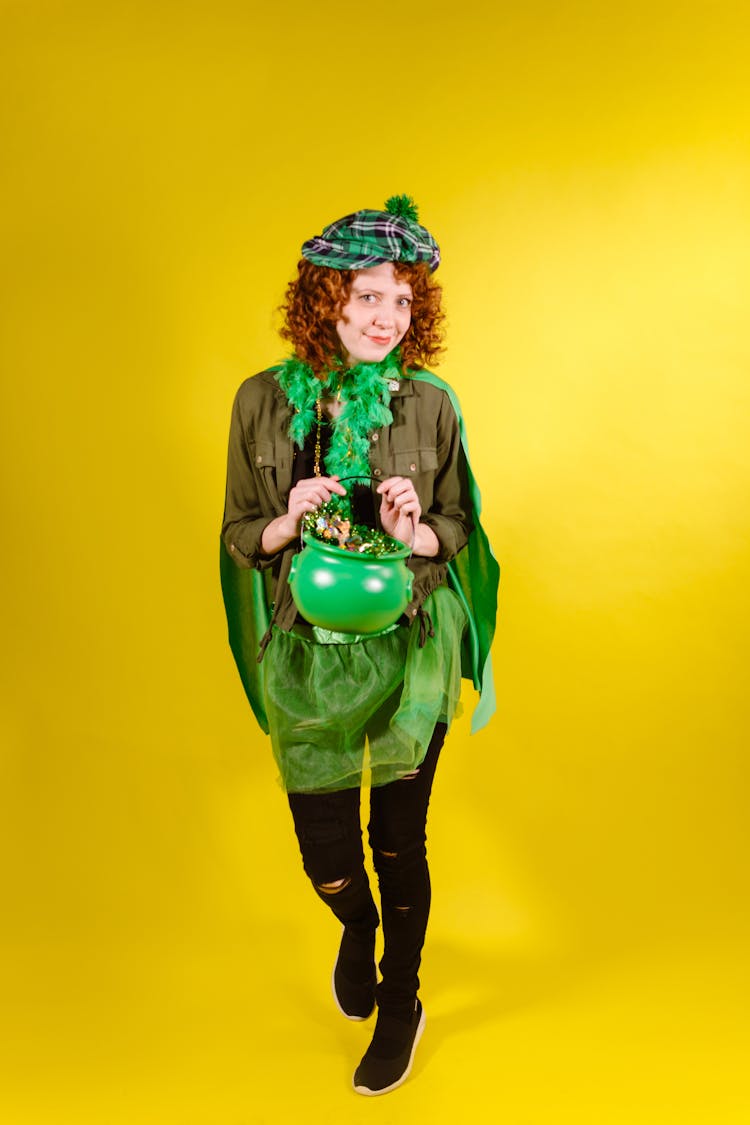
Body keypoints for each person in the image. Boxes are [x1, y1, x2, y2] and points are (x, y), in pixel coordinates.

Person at [220, 195, 499, 1096]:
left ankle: (401, 999)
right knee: (329, 852)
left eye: (404, 301)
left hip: (411, 643)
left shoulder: (432, 404)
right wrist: (282, 523)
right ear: (326, 298)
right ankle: (354, 925)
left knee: (400, 836)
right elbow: (236, 532)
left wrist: (415, 530)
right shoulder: (261, 401)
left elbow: (462, 525)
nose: (387, 318)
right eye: (369, 297)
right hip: (307, 651)